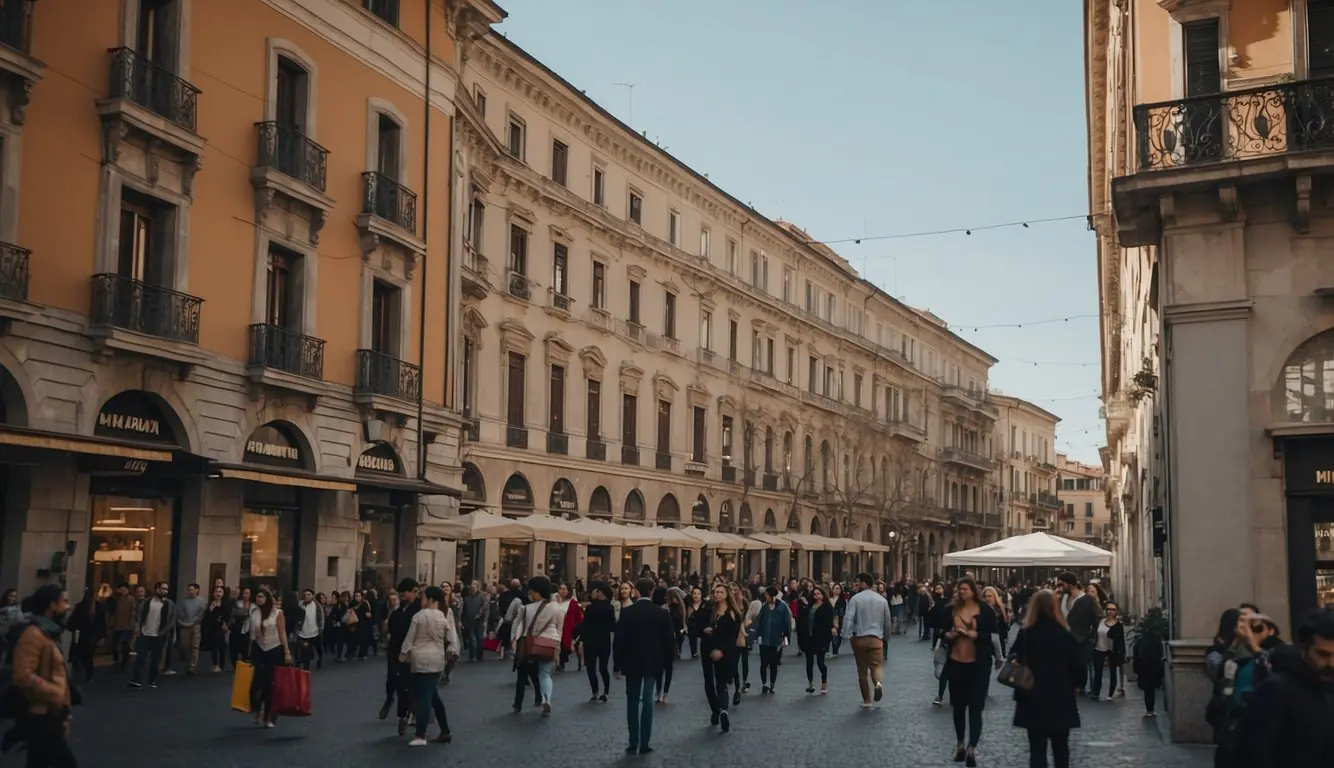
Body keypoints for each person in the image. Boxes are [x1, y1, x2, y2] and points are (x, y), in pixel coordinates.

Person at [1240, 607, 1334, 767]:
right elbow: (1256, 755)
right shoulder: (1275, 691)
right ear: (1304, 649)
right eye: (1323, 654)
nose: (1331, 664)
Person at [1011, 589, 1084, 768]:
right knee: (1061, 748)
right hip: (1061, 697)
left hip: (1032, 696)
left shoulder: (1026, 634)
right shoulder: (1065, 636)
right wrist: (1075, 685)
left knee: (1037, 749)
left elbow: (1015, 659)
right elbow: (1079, 668)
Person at [8, 585, 75, 766]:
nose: (68, 607)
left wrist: (64, 711)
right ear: (52, 605)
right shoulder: (34, 633)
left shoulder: (50, 632)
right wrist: (54, 693)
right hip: (41, 716)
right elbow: (22, 675)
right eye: (65, 602)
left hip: (50, 714)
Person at [613, 577, 675, 756]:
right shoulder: (662, 614)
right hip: (653, 661)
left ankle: (633, 741)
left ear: (636, 592)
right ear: (652, 592)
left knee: (632, 701)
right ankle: (645, 742)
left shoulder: (627, 612)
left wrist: (617, 664)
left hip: (631, 662)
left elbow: (619, 641)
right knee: (648, 700)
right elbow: (668, 642)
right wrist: (666, 663)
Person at [942, 578, 998, 766]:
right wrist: (948, 635)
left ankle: (971, 748)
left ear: (973, 591)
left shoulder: (986, 611)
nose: (961, 592)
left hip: (978, 666)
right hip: (956, 663)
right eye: (959, 589)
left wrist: (976, 635)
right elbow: (942, 630)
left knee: (975, 708)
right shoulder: (952, 609)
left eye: (964, 589)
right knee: (958, 707)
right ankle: (959, 744)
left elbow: (994, 635)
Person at [398, 585, 457, 746]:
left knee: (423, 696)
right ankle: (445, 731)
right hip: (437, 658)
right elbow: (451, 638)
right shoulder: (443, 617)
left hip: (420, 658)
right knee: (432, 695)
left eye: (424, 597)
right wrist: (451, 654)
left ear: (430, 599)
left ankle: (420, 734)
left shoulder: (419, 616)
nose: (422, 600)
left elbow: (410, 639)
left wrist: (403, 653)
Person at [511, 576, 565, 715]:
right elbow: (560, 628)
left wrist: (515, 643)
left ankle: (518, 703)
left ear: (536, 592)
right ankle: (546, 698)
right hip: (549, 642)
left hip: (531, 644)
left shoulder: (526, 608)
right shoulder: (557, 608)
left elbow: (520, 628)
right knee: (545, 674)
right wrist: (557, 645)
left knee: (523, 673)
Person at [691, 582, 740, 733]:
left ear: (727, 595)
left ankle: (724, 711)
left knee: (721, 682)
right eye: (716, 592)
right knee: (708, 682)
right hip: (707, 648)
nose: (717, 594)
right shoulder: (708, 610)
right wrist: (702, 630)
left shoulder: (732, 614)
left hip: (723, 652)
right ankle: (716, 709)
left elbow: (733, 636)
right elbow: (693, 624)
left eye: (721, 592)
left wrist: (722, 650)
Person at [842, 572, 891, 708]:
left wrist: (845, 634)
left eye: (858, 582)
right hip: (876, 637)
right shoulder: (882, 600)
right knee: (876, 665)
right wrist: (886, 637)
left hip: (859, 637)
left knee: (862, 670)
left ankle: (867, 700)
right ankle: (878, 684)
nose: (856, 584)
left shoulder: (855, 599)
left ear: (864, 583)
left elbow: (848, 618)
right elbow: (887, 622)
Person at [247, 588, 293, 727]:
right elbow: (252, 635)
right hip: (259, 648)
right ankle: (257, 708)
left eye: (261, 597)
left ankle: (268, 715)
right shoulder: (254, 613)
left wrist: (287, 652)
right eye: (257, 597)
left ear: (267, 598)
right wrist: (248, 653)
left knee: (269, 684)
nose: (258, 599)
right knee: (256, 682)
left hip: (274, 649)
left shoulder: (277, 613)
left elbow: (282, 632)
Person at [380, 578, 419, 734]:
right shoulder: (398, 610)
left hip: (410, 652)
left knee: (405, 686)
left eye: (406, 592)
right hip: (395, 650)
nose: (403, 595)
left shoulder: (418, 610)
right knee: (391, 679)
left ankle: (402, 716)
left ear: (414, 591)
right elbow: (389, 628)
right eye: (401, 593)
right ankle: (389, 698)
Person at [1056, 572, 1099, 696]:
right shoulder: (1062, 598)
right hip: (1064, 639)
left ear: (1070, 584)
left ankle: (1080, 686)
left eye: (1062, 584)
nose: (1060, 587)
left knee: (1080, 664)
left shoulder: (1087, 600)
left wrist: (1093, 635)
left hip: (1082, 639)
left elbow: (1097, 618)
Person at [129, 581, 175, 689]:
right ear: (157, 589)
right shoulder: (147, 602)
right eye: (163, 589)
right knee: (140, 657)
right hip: (145, 634)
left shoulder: (169, 604)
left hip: (159, 636)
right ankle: (137, 680)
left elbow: (171, 620)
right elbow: (139, 616)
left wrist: (163, 633)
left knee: (155, 660)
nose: (165, 591)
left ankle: (152, 680)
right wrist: (139, 629)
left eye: (166, 589)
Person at [575, 582, 616, 702]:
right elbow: (612, 626)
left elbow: (585, 625)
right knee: (603, 667)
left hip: (590, 640)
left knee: (591, 667)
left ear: (599, 592)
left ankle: (595, 691)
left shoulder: (590, 608)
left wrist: (576, 635)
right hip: (604, 640)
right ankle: (606, 691)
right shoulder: (610, 607)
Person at [753, 586, 791, 694]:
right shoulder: (764, 607)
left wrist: (786, 637)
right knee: (763, 662)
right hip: (764, 639)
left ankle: (772, 684)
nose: (765, 597)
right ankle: (764, 684)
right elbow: (759, 621)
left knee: (773, 663)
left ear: (771, 595)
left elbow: (787, 622)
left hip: (776, 639)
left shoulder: (782, 607)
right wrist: (757, 635)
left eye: (766, 595)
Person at [1131, 607, 1167, 717]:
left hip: (1145, 667)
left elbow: (1137, 653)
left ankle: (1149, 710)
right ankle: (1150, 709)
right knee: (1151, 689)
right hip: (1152, 666)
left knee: (1149, 690)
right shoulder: (1156, 639)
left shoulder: (1143, 639)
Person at [802, 585, 834, 695]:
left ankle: (824, 682)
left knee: (820, 662)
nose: (816, 596)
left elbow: (829, 624)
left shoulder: (827, 607)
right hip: (809, 638)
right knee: (809, 662)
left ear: (823, 595)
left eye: (818, 594)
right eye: (814, 594)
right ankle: (810, 683)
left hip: (820, 638)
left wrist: (826, 640)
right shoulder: (810, 606)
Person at [1090, 601, 1126, 701]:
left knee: (1113, 672)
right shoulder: (1100, 622)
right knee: (1098, 672)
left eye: (1113, 609)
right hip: (1098, 649)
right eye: (1108, 609)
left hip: (1111, 651)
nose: (1110, 611)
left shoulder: (1118, 625)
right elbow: (1094, 634)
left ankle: (1110, 693)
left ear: (1116, 611)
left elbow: (1121, 641)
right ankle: (1096, 692)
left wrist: (1122, 653)